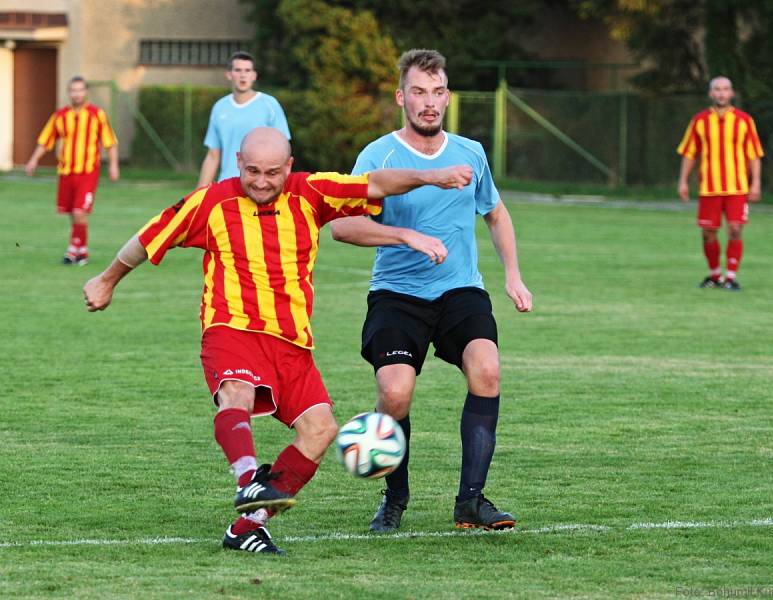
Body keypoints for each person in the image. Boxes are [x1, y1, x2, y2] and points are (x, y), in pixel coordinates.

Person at [83, 127, 472, 555]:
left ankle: (248, 525)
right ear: (239, 165)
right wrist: (106, 280)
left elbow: (376, 184)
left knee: (321, 429)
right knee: (238, 393)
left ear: (288, 166)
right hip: (232, 329)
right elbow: (148, 237)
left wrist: (431, 177)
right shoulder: (212, 202)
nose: (262, 182)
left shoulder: (311, 192)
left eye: (272, 172)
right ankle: (250, 479)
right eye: (252, 171)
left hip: (292, 342)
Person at [329, 49, 533, 534]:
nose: (429, 102)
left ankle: (471, 502)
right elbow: (342, 226)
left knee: (487, 368)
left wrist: (513, 275)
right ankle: (394, 498)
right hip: (397, 294)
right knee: (395, 392)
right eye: (418, 92)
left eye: (437, 92)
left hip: (460, 290)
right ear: (402, 96)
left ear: (448, 97)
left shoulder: (471, 152)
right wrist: (406, 235)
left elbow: (496, 214)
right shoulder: (377, 156)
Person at [677, 76, 764, 291]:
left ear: (732, 93)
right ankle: (715, 275)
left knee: (735, 229)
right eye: (717, 89)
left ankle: (731, 276)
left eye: (725, 89)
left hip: (737, 187)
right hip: (709, 187)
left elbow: (754, 155)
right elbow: (689, 153)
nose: (721, 93)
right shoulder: (699, 121)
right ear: (710, 93)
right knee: (708, 233)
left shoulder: (745, 120)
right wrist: (683, 182)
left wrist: (756, 184)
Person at [25, 75, 119, 265]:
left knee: (79, 211)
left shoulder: (96, 114)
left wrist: (114, 165)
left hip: (88, 171)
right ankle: (80, 251)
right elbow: (46, 140)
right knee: (71, 212)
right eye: (73, 90)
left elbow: (109, 142)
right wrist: (33, 160)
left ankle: (74, 250)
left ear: (86, 92)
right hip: (66, 171)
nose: (76, 94)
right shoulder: (60, 116)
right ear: (69, 93)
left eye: (80, 90)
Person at [197, 51, 290, 187]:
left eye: (247, 70)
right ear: (229, 74)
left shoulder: (269, 104)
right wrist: (198, 194)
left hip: (259, 186)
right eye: (238, 70)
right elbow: (212, 155)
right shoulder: (219, 107)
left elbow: (283, 151)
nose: (243, 75)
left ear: (254, 75)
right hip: (227, 186)